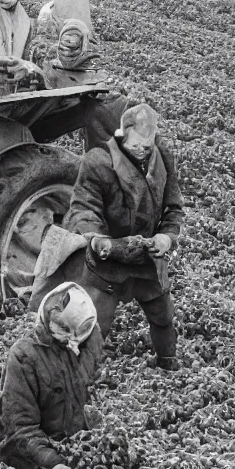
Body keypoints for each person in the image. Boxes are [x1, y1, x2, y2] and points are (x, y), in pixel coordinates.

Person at [30, 104, 185, 371]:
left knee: (163, 315)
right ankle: (79, 378)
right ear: (123, 134)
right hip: (107, 259)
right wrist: (103, 243)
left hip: (148, 257)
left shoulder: (163, 159)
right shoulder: (99, 162)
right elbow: (83, 209)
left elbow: (174, 208)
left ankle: (168, 363)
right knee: (93, 323)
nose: (142, 152)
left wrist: (166, 238)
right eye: (136, 145)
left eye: (147, 147)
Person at [0, 282, 102, 469]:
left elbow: (96, 381)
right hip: (29, 460)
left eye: (77, 332)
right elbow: (19, 425)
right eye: (62, 328)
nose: (70, 339)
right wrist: (52, 461)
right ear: (46, 319)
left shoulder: (88, 338)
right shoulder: (24, 356)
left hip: (74, 447)